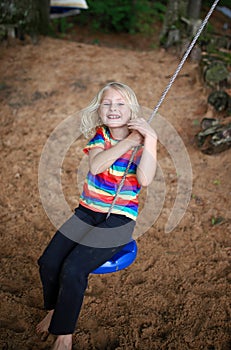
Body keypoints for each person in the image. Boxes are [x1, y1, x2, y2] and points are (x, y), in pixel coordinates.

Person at [36, 82, 158, 350]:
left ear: (132, 109)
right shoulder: (99, 137)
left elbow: (145, 179)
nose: (113, 108)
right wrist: (129, 140)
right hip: (87, 212)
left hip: (119, 220)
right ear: (100, 109)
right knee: (49, 262)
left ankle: (64, 333)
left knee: (74, 267)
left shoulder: (143, 142)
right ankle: (55, 310)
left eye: (120, 103)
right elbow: (97, 165)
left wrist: (150, 140)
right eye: (107, 103)